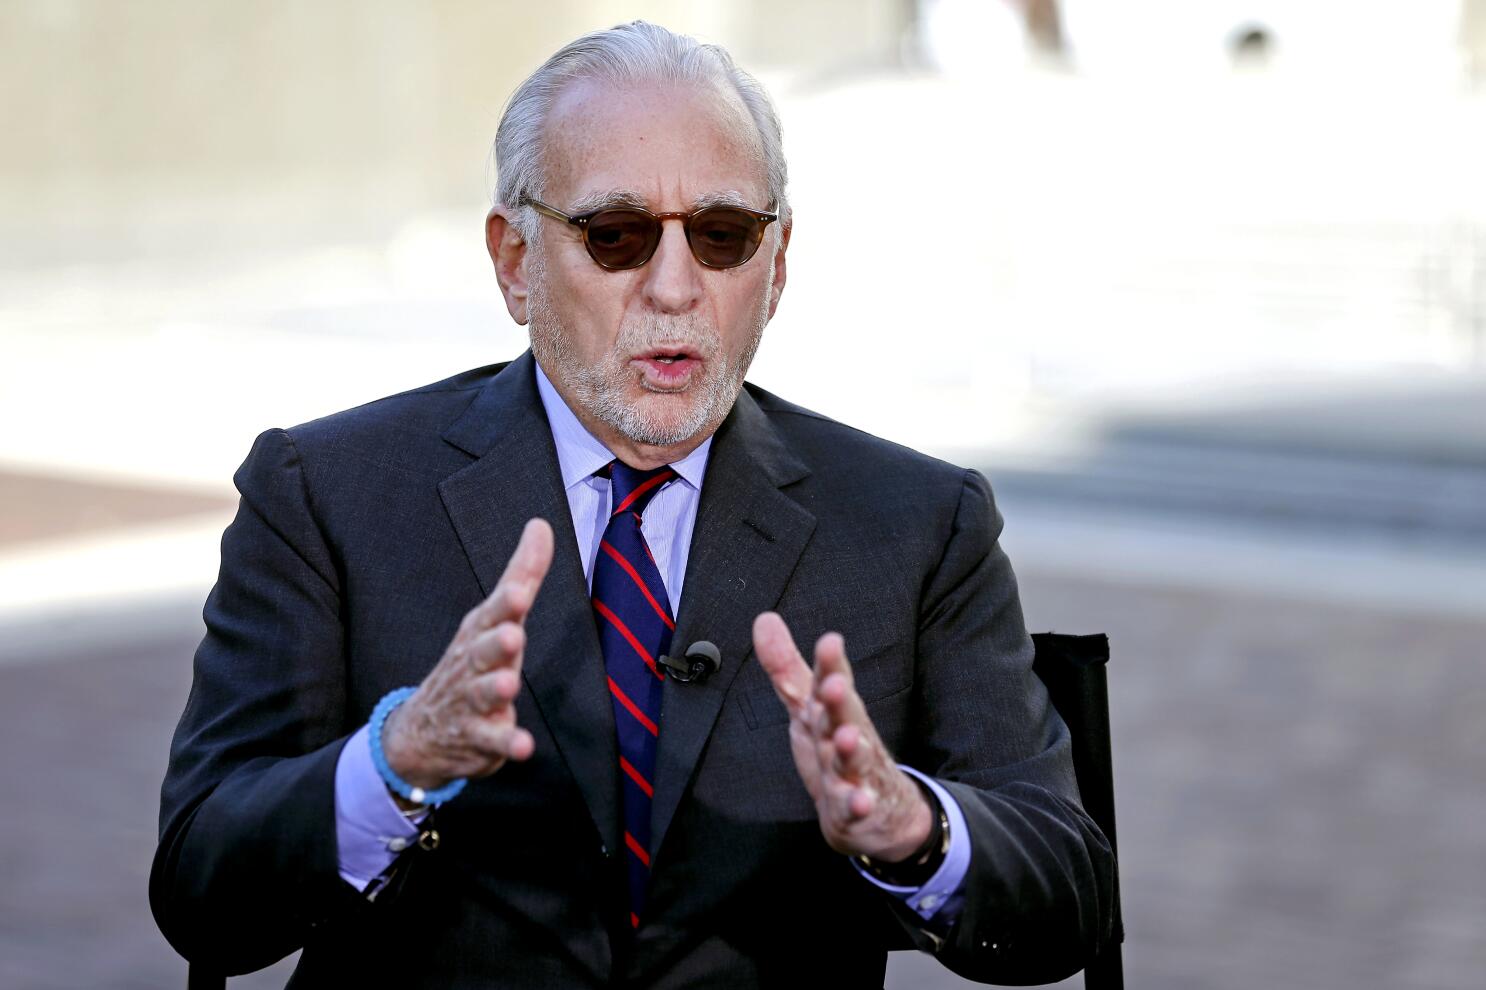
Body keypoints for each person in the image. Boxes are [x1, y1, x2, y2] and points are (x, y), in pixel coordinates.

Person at [151, 21, 1114, 989]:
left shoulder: (916, 523)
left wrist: (911, 829)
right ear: (514, 262)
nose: (673, 287)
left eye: (721, 235)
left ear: (774, 268)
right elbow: (204, 889)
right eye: (613, 236)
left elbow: (1065, 894)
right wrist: (393, 763)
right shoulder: (325, 494)